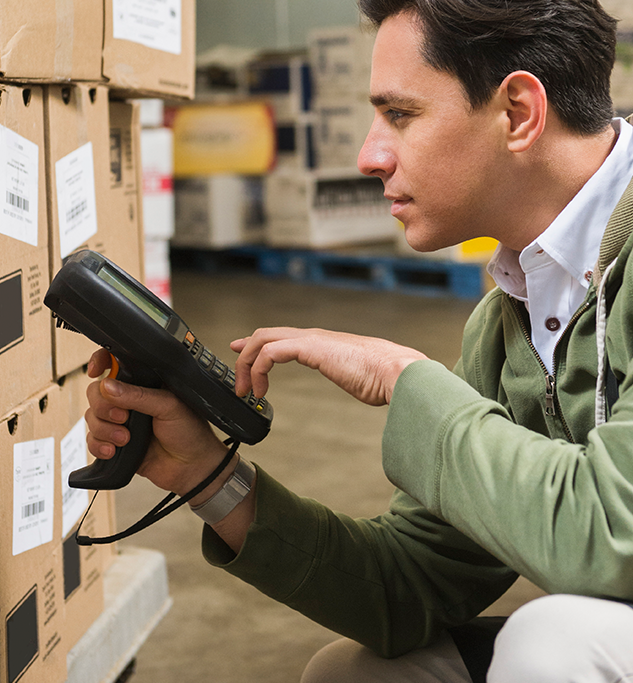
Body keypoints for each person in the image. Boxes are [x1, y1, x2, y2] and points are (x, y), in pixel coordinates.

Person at [85, 0, 633, 680]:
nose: (368, 154)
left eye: (400, 115)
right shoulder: (509, 319)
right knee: (352, 670)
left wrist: (406, 381)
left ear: (517, 112)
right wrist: (205, 474)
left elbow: (615, 536)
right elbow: (405, 587)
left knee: (555, 641)